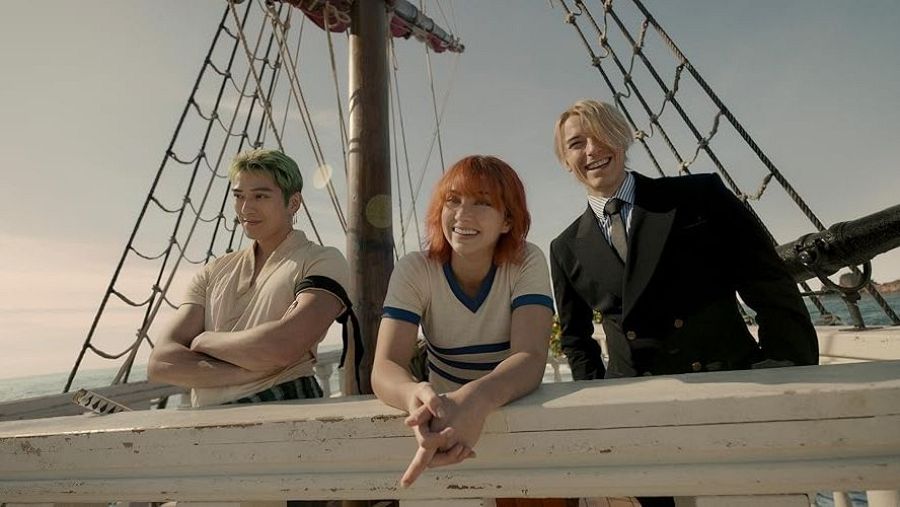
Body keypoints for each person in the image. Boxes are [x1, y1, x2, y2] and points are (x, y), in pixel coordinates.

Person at [549, 100, 819, 505]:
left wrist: (785, 367)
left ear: (623, 136)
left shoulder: (698, 195)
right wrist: (597, 406)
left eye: (602, 133)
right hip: (635, 415)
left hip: (730, 390)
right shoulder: (565, 247)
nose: (591, 149)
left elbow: (768, 283)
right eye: (576, 143)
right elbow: (576, 339)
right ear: (565, 161)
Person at [372, 155, 554, 488]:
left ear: (507, 221)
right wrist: (412, 393)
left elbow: (529, 356)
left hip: (517, 408)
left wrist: (474, 400)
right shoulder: (416, 270)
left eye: (482, 203)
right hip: (440, 418)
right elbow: (385, 366)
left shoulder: (526, 261)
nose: (462, 214)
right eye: (452, 201)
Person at [148, 148, 354, 408]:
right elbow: (161, 362)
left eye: (260, 196)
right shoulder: (214, 271)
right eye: (238, 196)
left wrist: (203, 341)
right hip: (209, 419)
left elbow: (283, 345)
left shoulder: (321, 260)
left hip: (286, 405)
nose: (246, 208)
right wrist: (250, 372)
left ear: (293, 203)